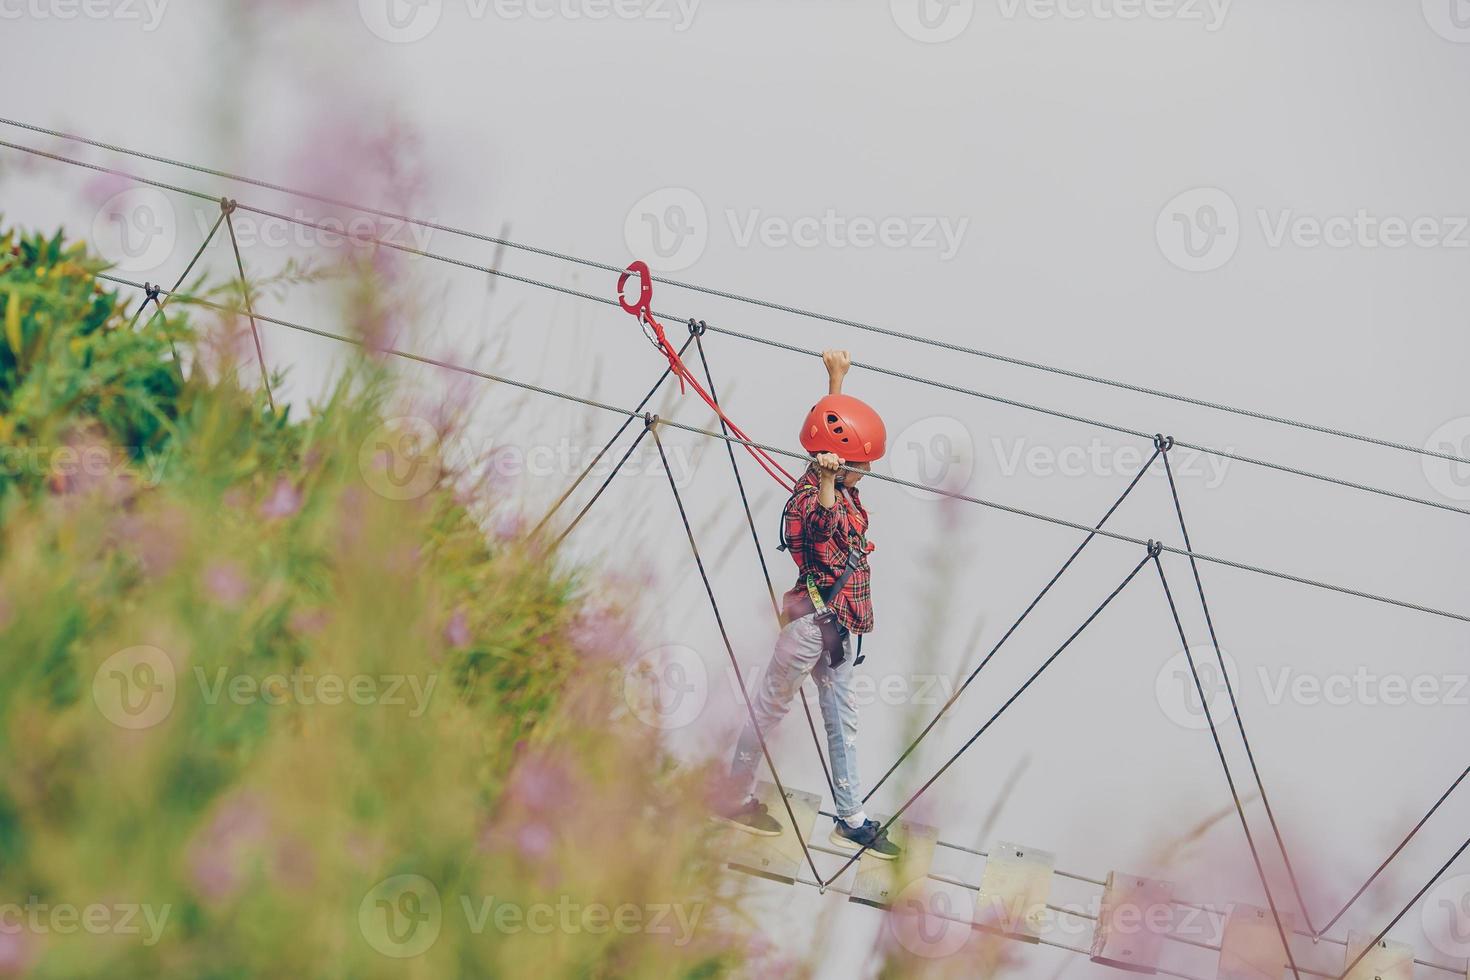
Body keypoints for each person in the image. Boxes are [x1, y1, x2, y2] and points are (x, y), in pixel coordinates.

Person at [714, 349, 900, 860]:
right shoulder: (816, 500)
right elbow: (822, 526)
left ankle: (850, 815)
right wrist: (824, 480)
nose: (864, 471)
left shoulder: (832, 479)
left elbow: (830, 429)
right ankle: (732, 794)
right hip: (812, 629)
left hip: (836, 630)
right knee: (771, 706)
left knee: (843, 718)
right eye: (859, 465)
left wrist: (835, 380)